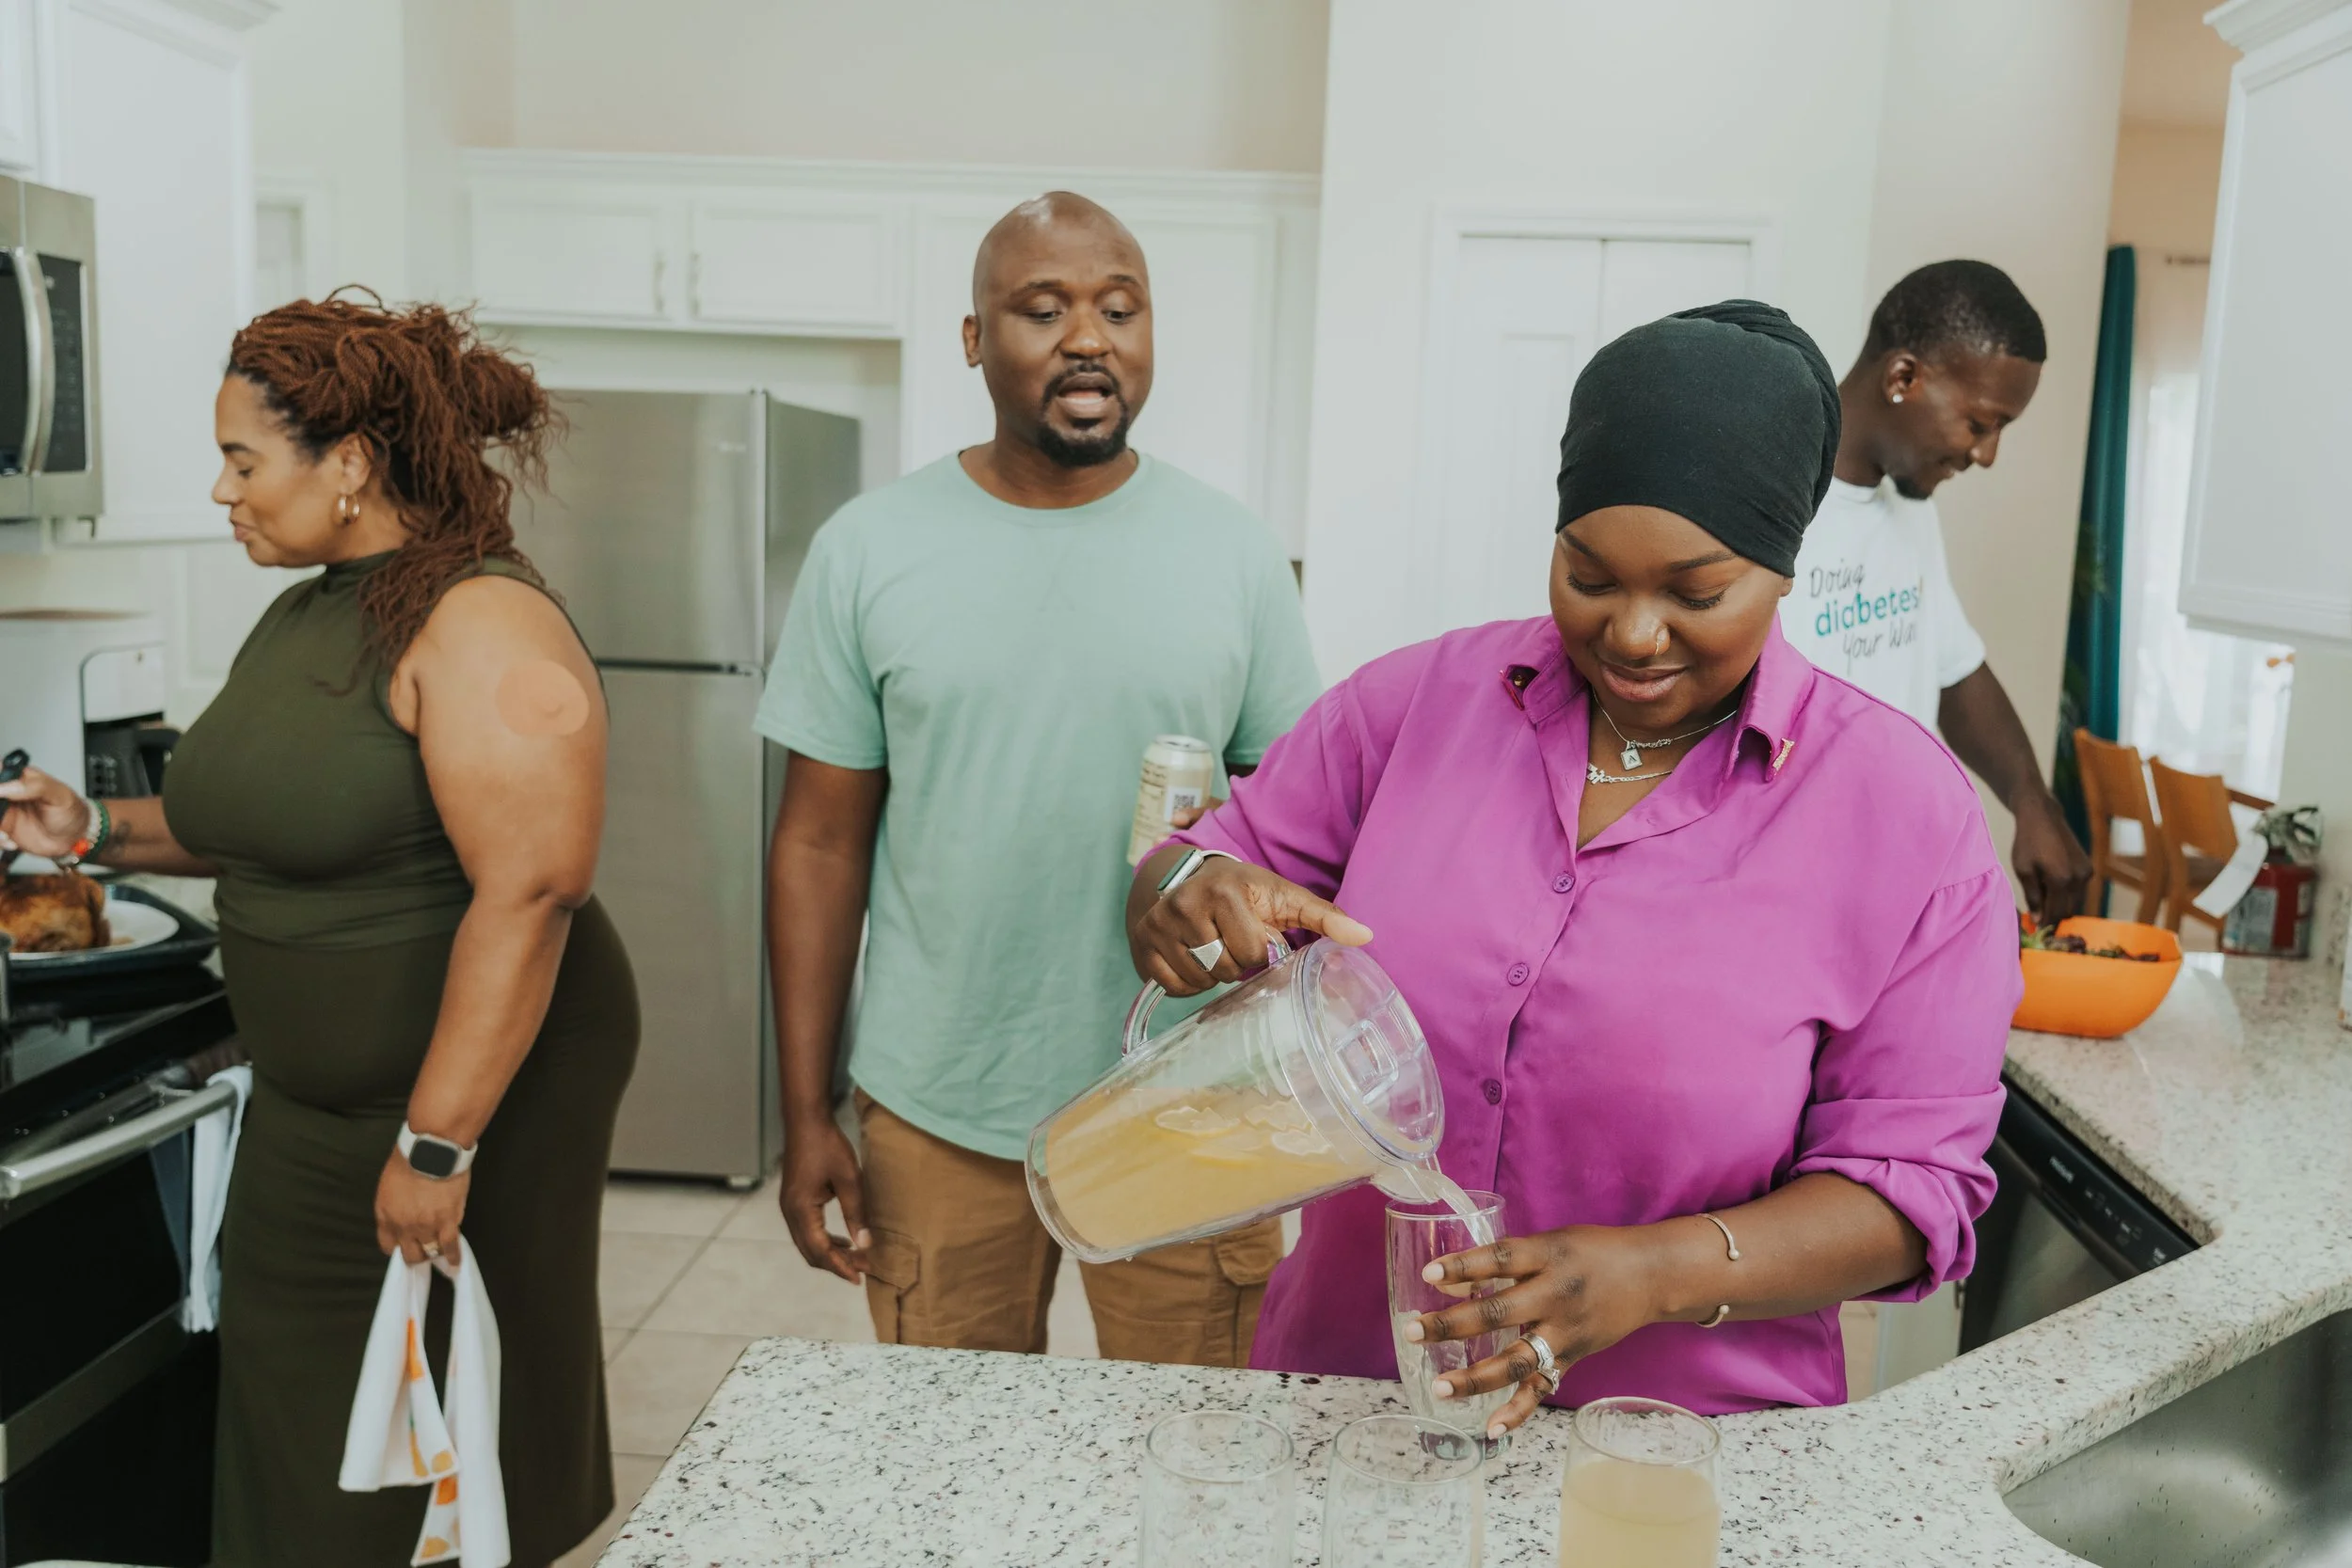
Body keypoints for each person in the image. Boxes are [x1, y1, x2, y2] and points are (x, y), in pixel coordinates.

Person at [1129, 302, 2020, 1426]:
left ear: (1784, 566)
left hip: (1678, 1449)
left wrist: (1660, 1272)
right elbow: (1201, 865)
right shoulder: (1411, 710)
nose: (1633, 634)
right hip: (1348, 1400)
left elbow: (1912, 1197)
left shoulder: (1906, 820)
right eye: (1589, 575)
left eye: (1695, 593)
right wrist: (1178, 891)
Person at [0, 294, 638, 1566]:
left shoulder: (478, 618)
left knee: (433, 1416)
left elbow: (533, 888)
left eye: (245, 459)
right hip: (316, 1099)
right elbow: (277, 817)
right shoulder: (313, 607)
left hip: (472, 1097)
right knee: (306, 1410)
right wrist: (88, 831)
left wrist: (439, 1145)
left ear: (347, 463)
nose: (223, 489)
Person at [760, 192, 1323, 1363]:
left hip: (1189, 1092)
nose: (1088, 336)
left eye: (1120, 307)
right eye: (1042, 308)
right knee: (947, 1469)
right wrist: (805, 1109)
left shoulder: (1234, 554)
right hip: (939, 1097)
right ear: (975, 339)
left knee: (1195, 1457)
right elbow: (819, 843)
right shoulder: (869, 548)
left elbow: (1302, 829)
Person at [1781, 259, 2091, 921]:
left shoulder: (1911, 506)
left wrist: (2032, 798)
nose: (1987, 455)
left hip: (1888, 889)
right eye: (1980, 424)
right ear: (1903, 378)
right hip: (1786, 899)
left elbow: (1952, 669)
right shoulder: (1771, 502)